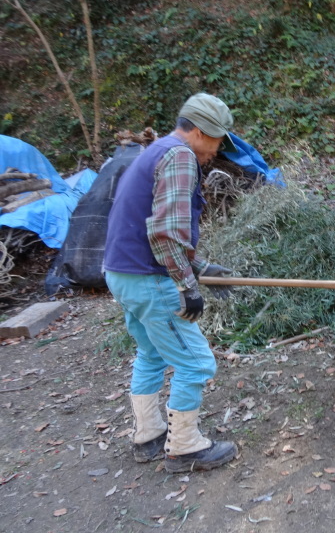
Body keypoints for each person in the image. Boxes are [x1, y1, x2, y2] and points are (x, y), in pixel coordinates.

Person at [104, 92, 239, 473]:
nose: (216, 149)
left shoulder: (156, 150)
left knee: (152, 353)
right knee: (196, 363)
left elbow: (152, 224)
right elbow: (165, 233)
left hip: (122, 274)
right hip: (149, 278)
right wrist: (188, 287)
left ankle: (148, 435)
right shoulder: (180, 156)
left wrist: (202, 266)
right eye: (215, 140)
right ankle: (183, 447)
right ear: (198, 131)